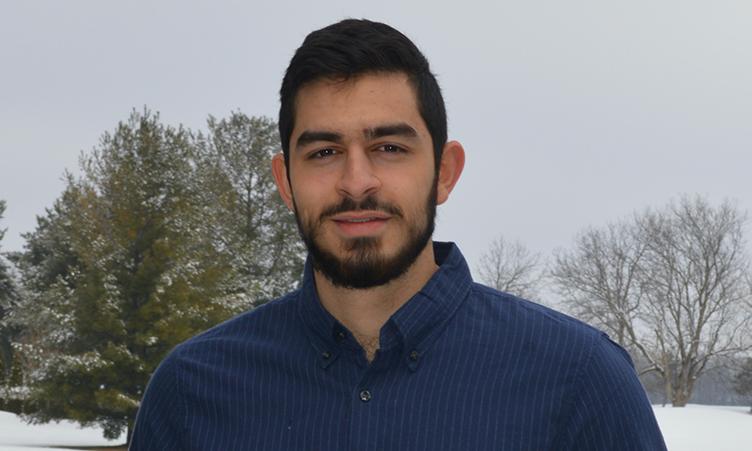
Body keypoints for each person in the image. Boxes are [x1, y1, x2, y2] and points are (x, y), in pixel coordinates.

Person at [130, 19, 666, 450]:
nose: (356, 181)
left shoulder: (578, 379)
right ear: (285, 182)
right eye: (323, 152)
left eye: (389, 148)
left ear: (445, 172)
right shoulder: (190, 391)